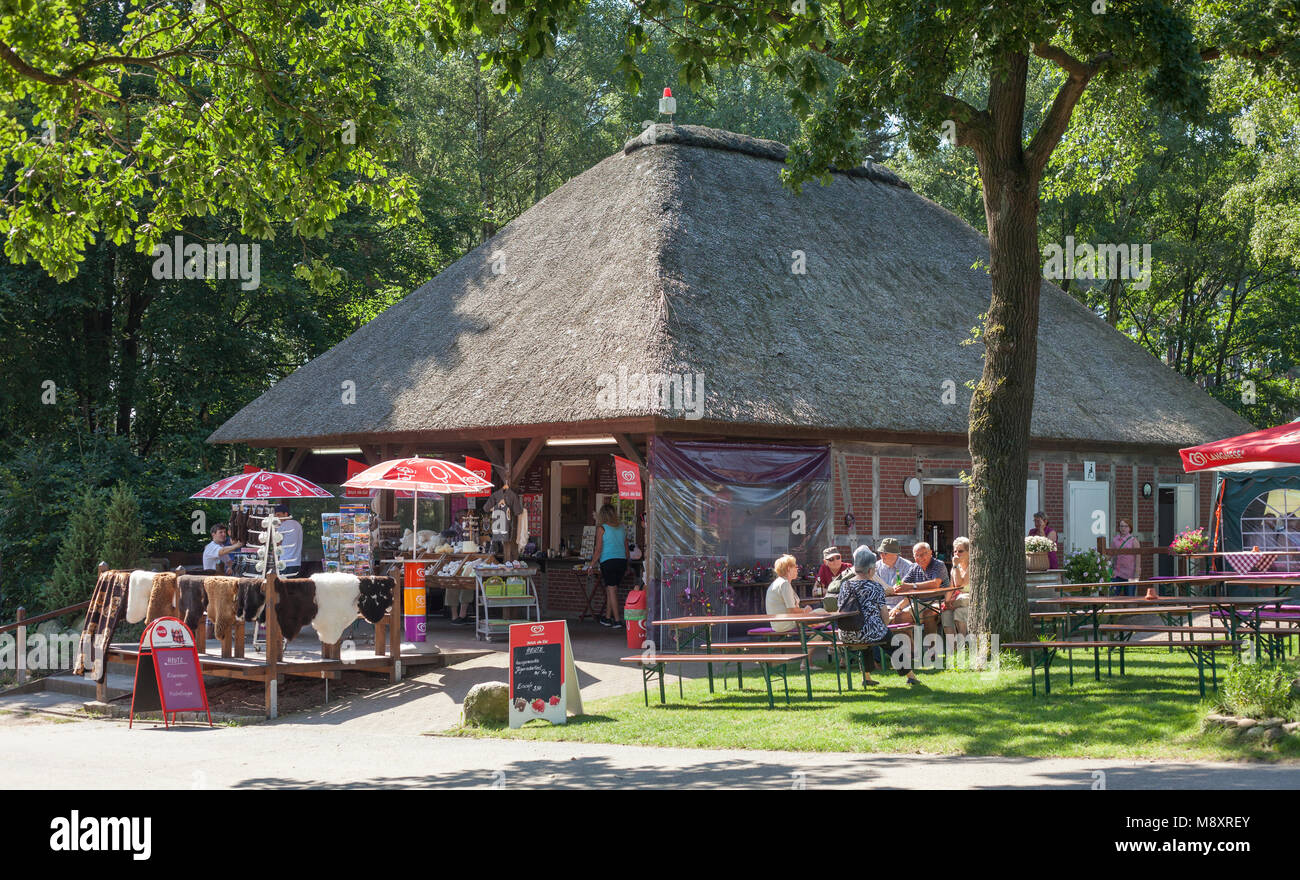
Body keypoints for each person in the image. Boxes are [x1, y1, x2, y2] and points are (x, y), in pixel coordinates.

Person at [835, 545, 921, 687]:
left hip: (846, 632)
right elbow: (884, 616)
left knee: (864, 640)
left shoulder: (845, 585)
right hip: (868, 631)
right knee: (892, 642)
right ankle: (910, 676)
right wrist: (884, 626)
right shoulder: (875, 587)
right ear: (870, 570)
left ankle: (866, 677)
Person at [592, 503, 629, 629]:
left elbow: (598, 549)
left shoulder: (602, 528)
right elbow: (626, 549)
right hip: (621, 561)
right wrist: (627, 565)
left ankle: (617, 620)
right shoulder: (621, 528)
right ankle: (607, 618)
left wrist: (591, 565)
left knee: (612, 590)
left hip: (608, 561)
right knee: (610, 589)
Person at [766, 554, 812, 633]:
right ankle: (811, 643)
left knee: (820, 614)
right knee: (822, 613)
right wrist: (805, 610)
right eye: (795, 566)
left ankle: (811, 643)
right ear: (788, 568)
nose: (797, 568)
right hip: (787, 624)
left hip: (780, 624)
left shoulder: (780, 582)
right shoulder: (784, 584)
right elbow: (792, 610)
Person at [944, 536, 971, 635]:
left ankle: (963, 645)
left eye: (960, 551)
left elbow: (960, 584)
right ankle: (954, 648)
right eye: (955, 551)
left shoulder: (972, 566)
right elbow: (952, 586)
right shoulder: (956, 567)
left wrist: (955, 565)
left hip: (969, 597)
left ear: (969, 552)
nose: (957, 554)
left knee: (959, 611)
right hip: (959, 598)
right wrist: (946, 602)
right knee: (945, 614)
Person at [1110, 518, 1139, 595]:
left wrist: (1137, 573)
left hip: (1131, 574)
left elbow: (1138, 558)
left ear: (1130, 528)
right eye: (1121, 526)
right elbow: (1110, 555)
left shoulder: (1134, 541)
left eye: (1125, 526)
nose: (1123, 528)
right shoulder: (1115, 540)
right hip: (1117, 573)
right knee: (1113, 596)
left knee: (1130, 597)